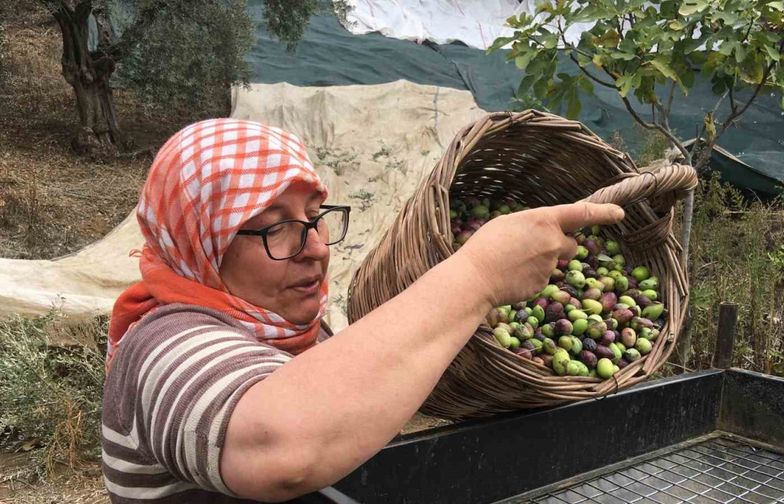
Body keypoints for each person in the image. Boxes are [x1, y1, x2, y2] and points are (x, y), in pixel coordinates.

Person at [101, 118, 624, 503]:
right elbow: (282, 448)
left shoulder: (299, 333)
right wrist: (479, 276)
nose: (315, 248)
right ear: (201, 242)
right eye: (274, 224)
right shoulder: (160, 343)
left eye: (314, 216)